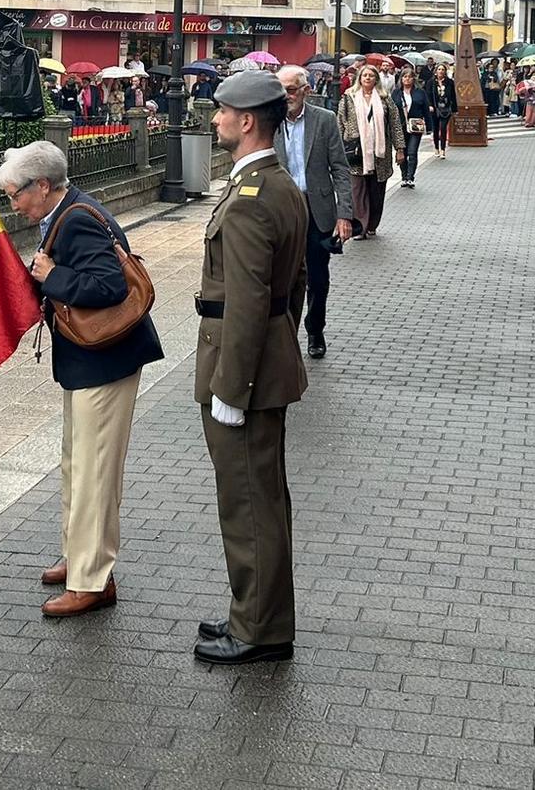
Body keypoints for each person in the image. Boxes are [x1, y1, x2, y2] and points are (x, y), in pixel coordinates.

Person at [1, 140, 162, 620]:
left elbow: (108, 286)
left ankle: (91, 580)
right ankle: (79, 557)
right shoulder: (70, 209)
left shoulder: (75, 219)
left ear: (43, 186)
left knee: (94, 471)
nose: (13, 204)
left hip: (104, 359)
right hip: (90, 361)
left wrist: (52, 276)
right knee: (78, 463)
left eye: (15, 195)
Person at [194, 69, 307, 665]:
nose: (215, 121)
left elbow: (247, 304)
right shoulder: (278, 186)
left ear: (247, 121)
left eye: (221, 112)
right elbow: (296, 287)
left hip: (245, 370)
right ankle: (255, 612)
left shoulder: (252, 200)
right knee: (262, 495)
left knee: (248, 501)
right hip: (268, 362)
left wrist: (230, 388)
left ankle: (258, 630)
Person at [275, 65, 352, 361]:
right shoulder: (270, 121)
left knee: (317, 278)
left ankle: (315, 329)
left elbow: (341, 170)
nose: (286, 96)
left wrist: (344, 216)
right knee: (283, 275)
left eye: (291, 90)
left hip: (316, 209)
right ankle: (285, 334)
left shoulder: (325, 120)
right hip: (282, 210)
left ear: (306, 91)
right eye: (281, 90)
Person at [338, 63, 396, 239]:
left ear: (376, 79)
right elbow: (340, 121)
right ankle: (360, 227)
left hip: (380, 153)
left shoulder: (385, 99)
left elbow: (394, 125)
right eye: (365, 76)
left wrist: (400, 148)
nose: (368, 78)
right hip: (355, 150)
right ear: (359, 79)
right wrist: (338, 147)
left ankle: (372, 225)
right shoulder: (349, 98)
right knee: (357, 190)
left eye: (371, 76)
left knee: (376, 192)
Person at [392, 66, 432, 188]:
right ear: (401, 78)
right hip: (400, 126)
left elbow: (426, 109)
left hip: (415, 126)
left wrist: (429, 127)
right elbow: (392, 110)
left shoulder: (420, 92)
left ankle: (410, 177)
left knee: (412, 152)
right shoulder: (396, 93)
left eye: (410, 77)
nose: (407, 79)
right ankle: (404, 176)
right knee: (402, 151)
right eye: (405, 76)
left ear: (414, 79)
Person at [431, 63, 458, 156]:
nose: (441, 71)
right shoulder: (431, 82)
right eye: (439, 69)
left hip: (446, 109)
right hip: (434, 108)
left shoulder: (450, 82)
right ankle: (436, 148)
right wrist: (429, 106)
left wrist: (455, 109)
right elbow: (427, 95)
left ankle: (443, 149)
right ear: (436, 71)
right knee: (435, 129)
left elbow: (453, 96)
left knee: (443, 128)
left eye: (442, 69)